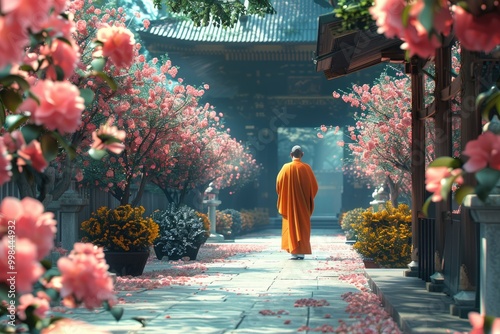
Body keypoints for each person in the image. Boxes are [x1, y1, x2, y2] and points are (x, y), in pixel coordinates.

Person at [276, 145, 318, 260]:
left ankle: (294, 252)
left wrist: (286, 196)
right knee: (303, 226)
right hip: (303, 206)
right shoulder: (307, 168)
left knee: (291, 226)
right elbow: (314, 187)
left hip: (289, 205)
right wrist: (307, 198)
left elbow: (278, 186)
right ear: (302, 155)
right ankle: (301, 252)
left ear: (291, 154)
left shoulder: (285, 168)